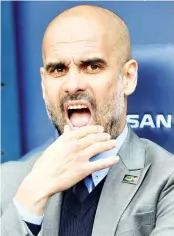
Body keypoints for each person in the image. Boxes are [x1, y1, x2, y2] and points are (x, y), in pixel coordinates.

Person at [1, 4, 174, 236]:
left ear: (128, 77)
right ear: (44, 85)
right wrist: (32, 196)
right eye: (58, 69)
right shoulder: (9, 182)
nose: (73, 86)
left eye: (92, 66)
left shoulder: (166, 179)